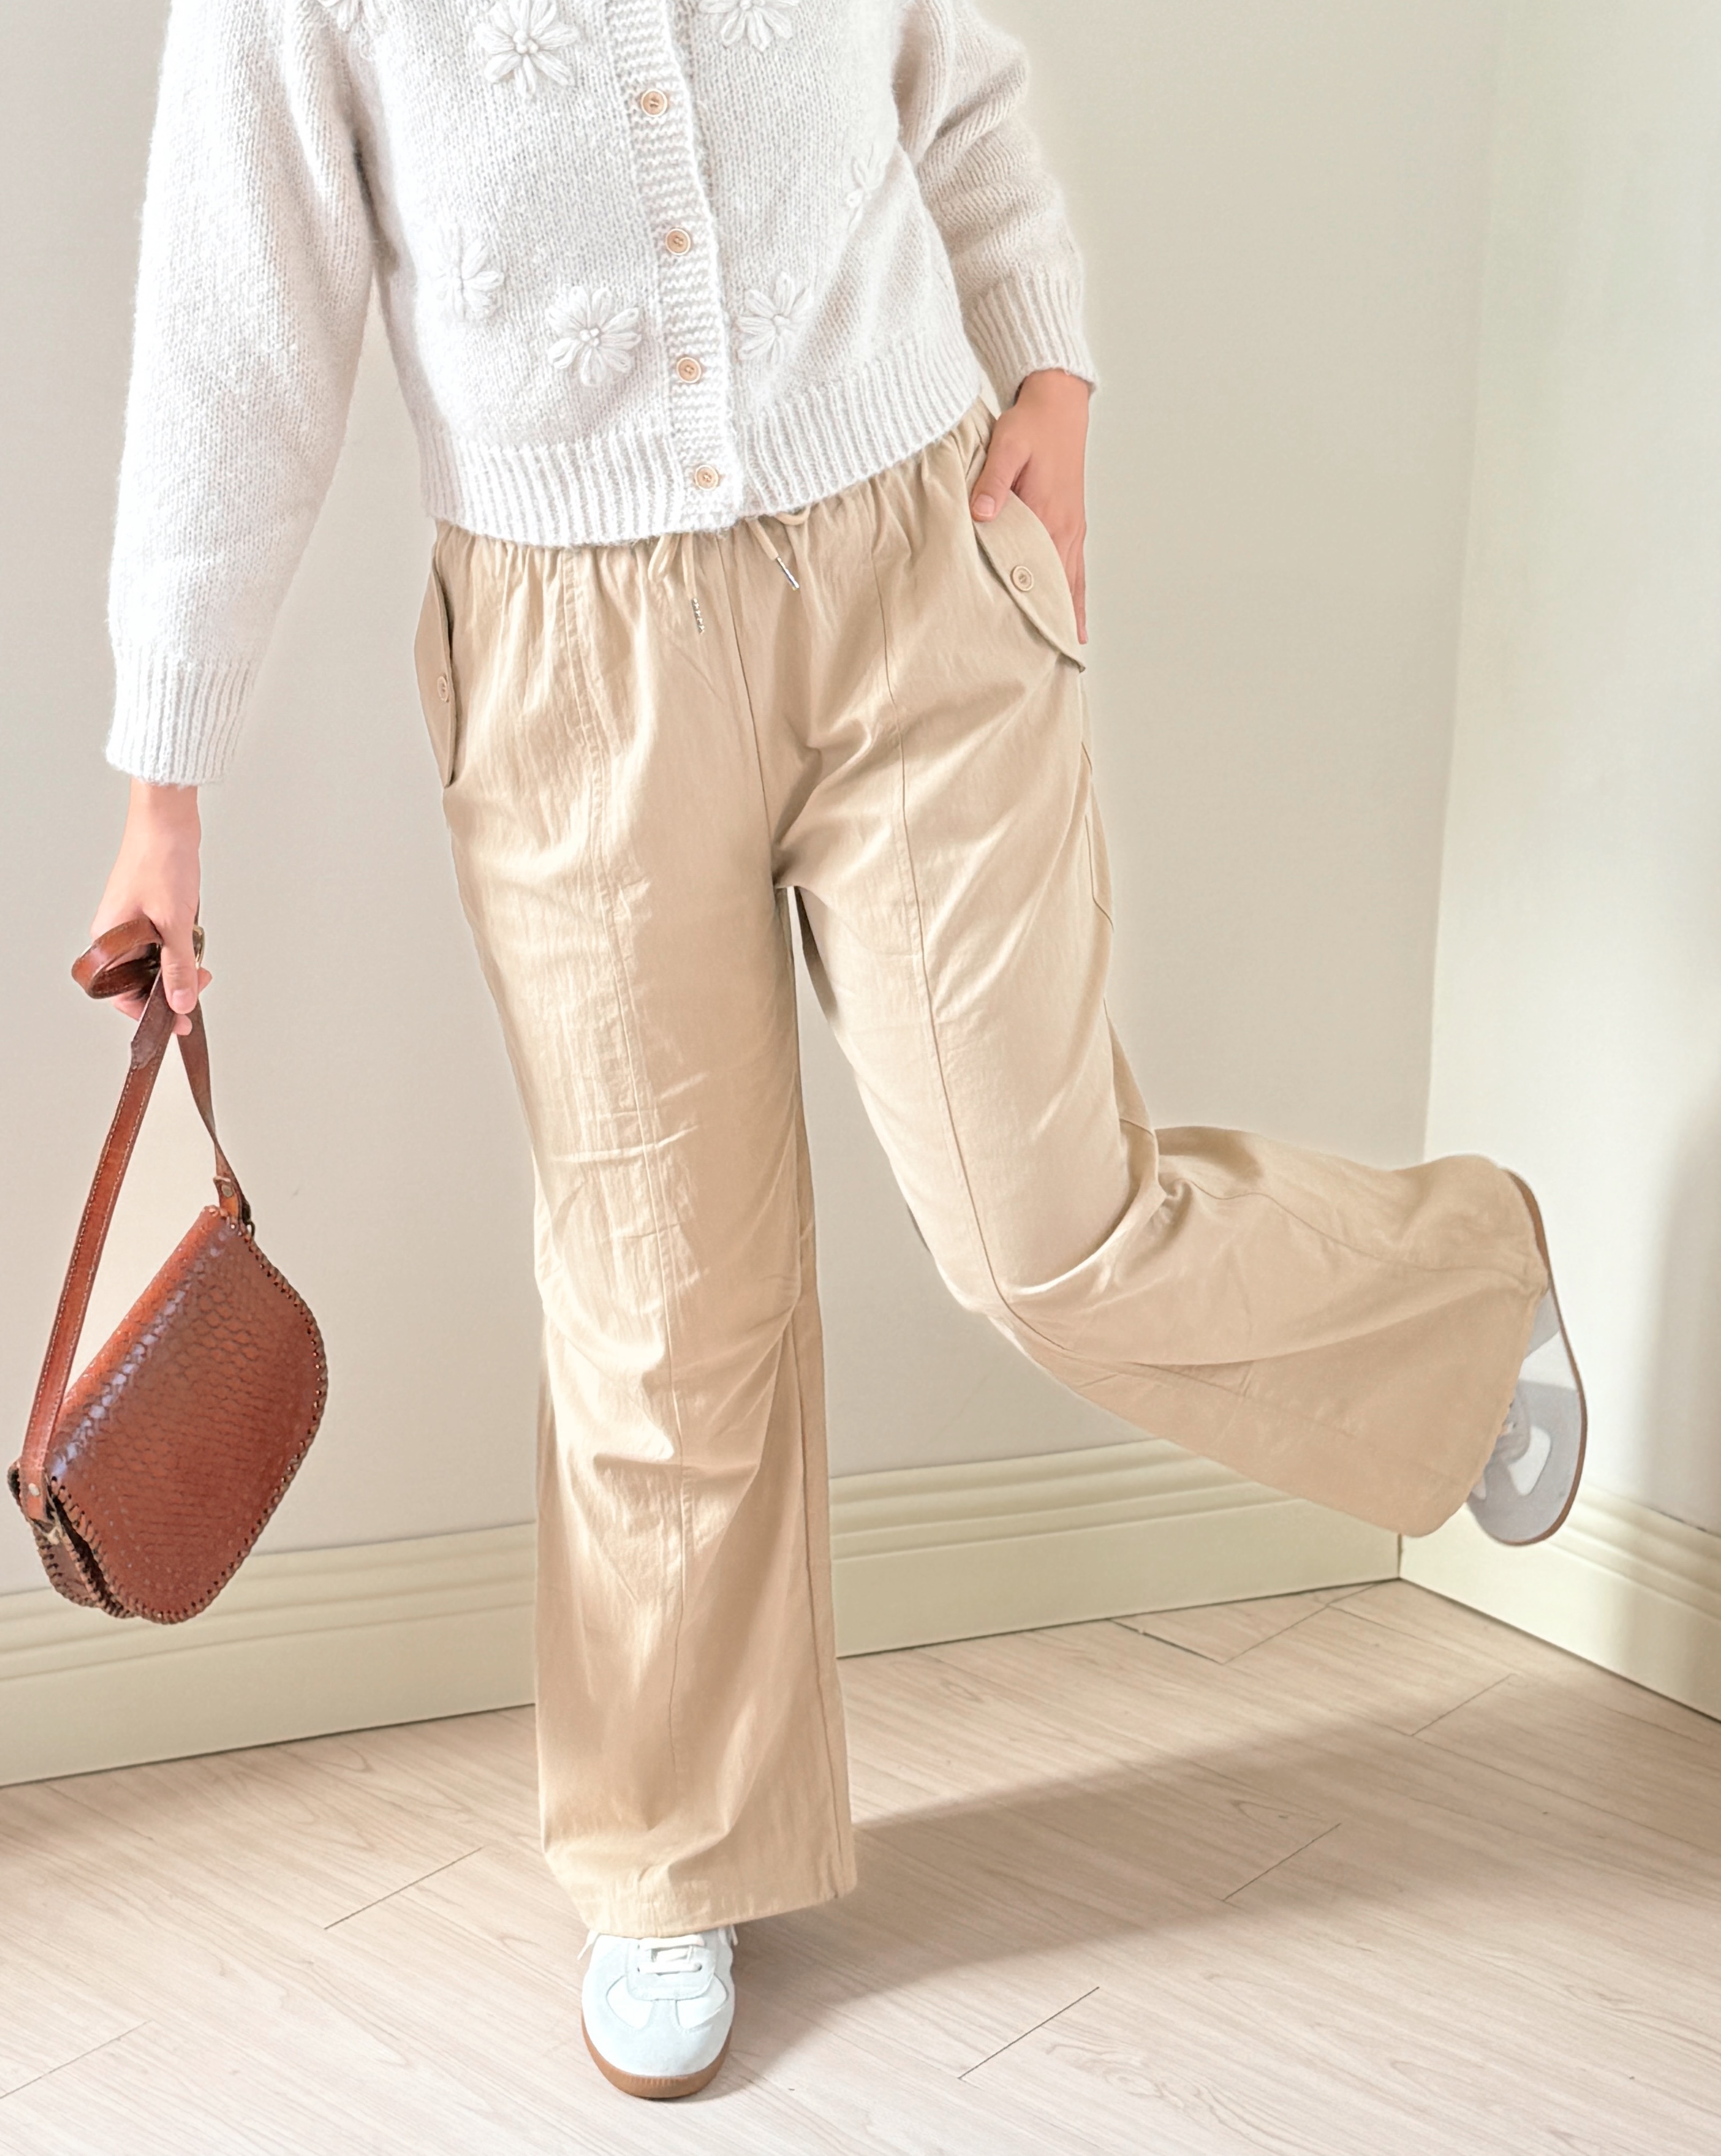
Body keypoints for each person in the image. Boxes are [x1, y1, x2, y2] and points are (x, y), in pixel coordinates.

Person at [90, 0, 1586, 2103]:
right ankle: (670, 1847)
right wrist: (165, 787)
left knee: (1049, 1227)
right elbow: (230, 330)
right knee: (661, 1303)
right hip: (574, 664)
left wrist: (1050, 361)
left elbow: (947, 75)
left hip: (912, 569)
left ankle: (1458, 1300)